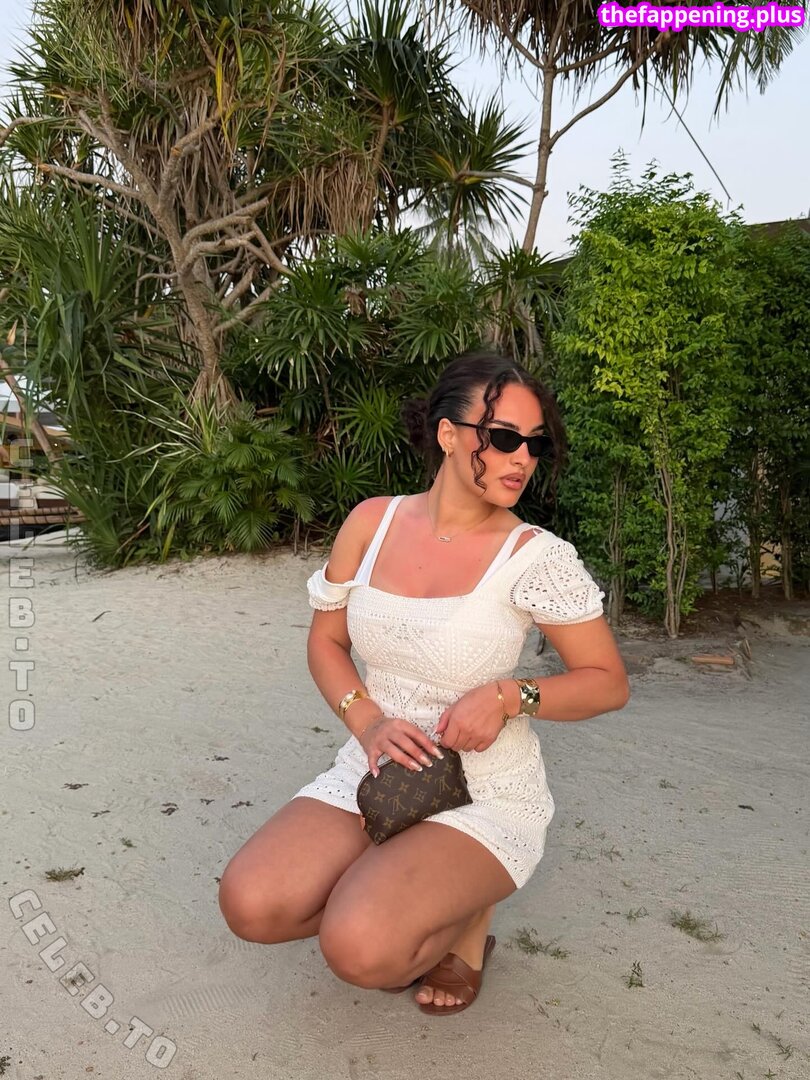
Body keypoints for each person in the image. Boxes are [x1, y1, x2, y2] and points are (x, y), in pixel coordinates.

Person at [218, 350, 630, 1015]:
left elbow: (607, 682)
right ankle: (396, 889)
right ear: (448, 434)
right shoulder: (371, 523)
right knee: (252, 904)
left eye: (534, 444)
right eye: (503, 439)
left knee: (361, 948)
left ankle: (466, 923)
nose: (522, 459)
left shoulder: (538, 557)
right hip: (378, 767)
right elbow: (326, 642)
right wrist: (367, 722)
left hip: (482, 787)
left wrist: (510, 696)